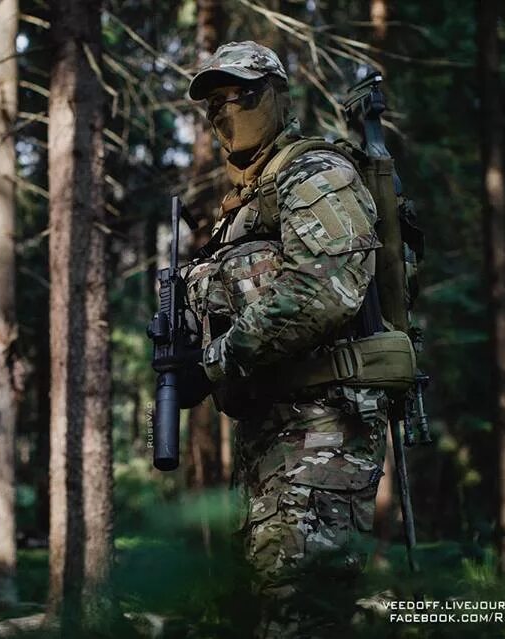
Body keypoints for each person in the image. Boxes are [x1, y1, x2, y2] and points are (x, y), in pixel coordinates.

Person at [181, 40, 389, 637]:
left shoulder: (315, 172)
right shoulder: (244, 204)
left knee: (302, 616)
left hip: (323, 434)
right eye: (212, 103)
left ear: (274, 95)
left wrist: (217, 362)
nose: (224, 112)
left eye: (239, 95)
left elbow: (328, 288)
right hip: (273, 438)